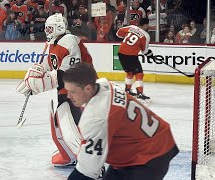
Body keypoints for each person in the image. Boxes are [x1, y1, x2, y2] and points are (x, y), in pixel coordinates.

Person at [64, 63, 179, 180]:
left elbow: (88, 170)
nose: (68, 96)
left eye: (72, 92)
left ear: (88, 88)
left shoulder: (97, 117)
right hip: (152, 141)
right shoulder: (104, 84)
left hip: (149, 156)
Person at [16, 13, 94, 167]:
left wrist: (40, 83)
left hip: (80, 88)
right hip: (66, 89)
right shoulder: (54, 42)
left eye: (50, 28)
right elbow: (48, 63)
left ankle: (90, 161)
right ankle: (68, 154)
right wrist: (35, 74)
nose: (47, 31)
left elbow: (69, 73)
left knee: (71, 126)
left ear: (59, 27)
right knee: (58, 122)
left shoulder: (69, 41)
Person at [116, 18, 152, 100]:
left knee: (130, 73)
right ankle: (139, 93)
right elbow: (144, 51)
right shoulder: (145, 35)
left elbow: (118, 33)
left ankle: (127, 90)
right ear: (145, 25)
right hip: (131, 55)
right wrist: (149, 54)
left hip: (121, 53)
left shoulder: (131, 27)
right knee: (139, 73)